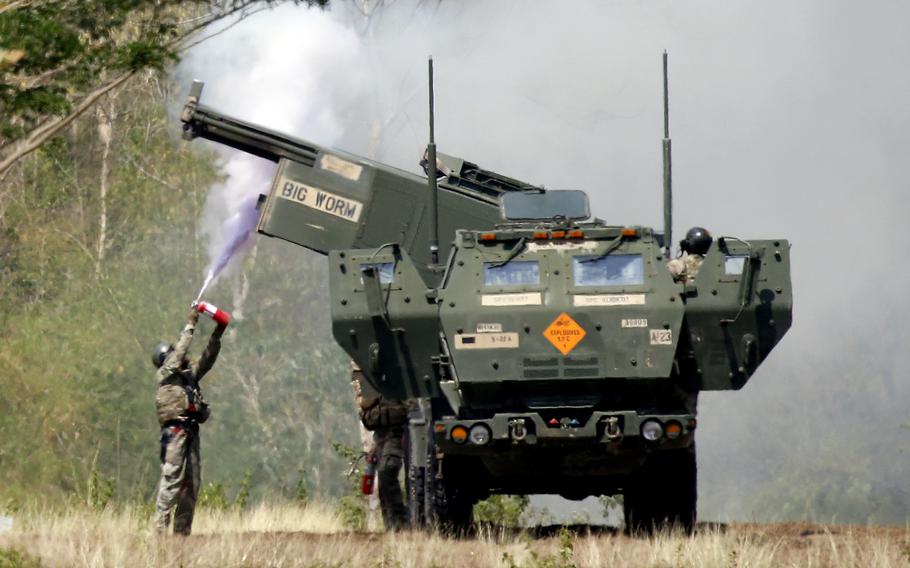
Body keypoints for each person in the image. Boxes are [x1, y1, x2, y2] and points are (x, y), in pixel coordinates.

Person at [151, 306, 226, 535]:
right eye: (174, 353)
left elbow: (207, 358)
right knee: (171, 481)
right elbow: (179, 354)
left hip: (191, 431)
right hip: (174, 433)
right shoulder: (165, 374)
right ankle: (158, 533)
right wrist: (190, 324)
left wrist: (217, 333)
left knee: (191, 484)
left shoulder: (188, 376)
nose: (181, 356)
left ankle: (181, 535)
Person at [351, 362, 409, 530]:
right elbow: (364, 403)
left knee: (388, 470)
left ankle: (400, 523)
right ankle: (394, 525)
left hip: (400, 429)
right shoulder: (364, 373)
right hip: (381, 433)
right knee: (384, 476)